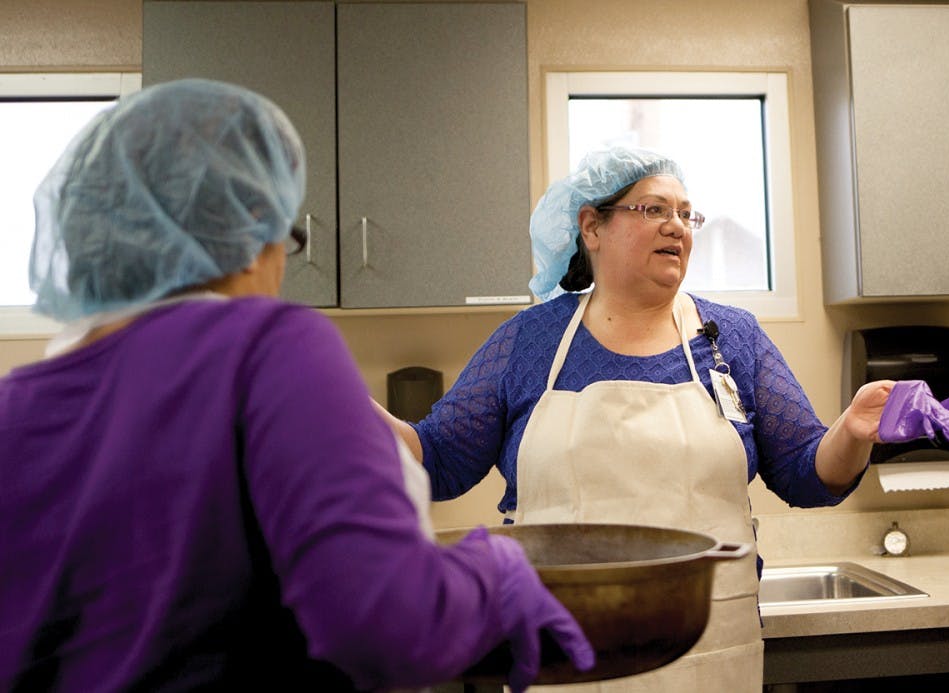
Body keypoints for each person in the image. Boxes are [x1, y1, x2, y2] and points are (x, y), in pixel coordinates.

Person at [0, 78, 594, 692]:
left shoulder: (14, 406)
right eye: (286, 236)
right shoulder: (263, 347)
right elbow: (391, 622)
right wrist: (494, 572)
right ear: (251, 229)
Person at [375, 146, 905, 691]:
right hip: (560, 655)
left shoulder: (734, 338)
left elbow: (805, 472)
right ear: (592, 228)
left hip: (711, 652)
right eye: (654, 210)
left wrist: (853, 432)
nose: (677, 226)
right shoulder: (529, 341)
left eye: (685, 213)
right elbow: (435, 460)